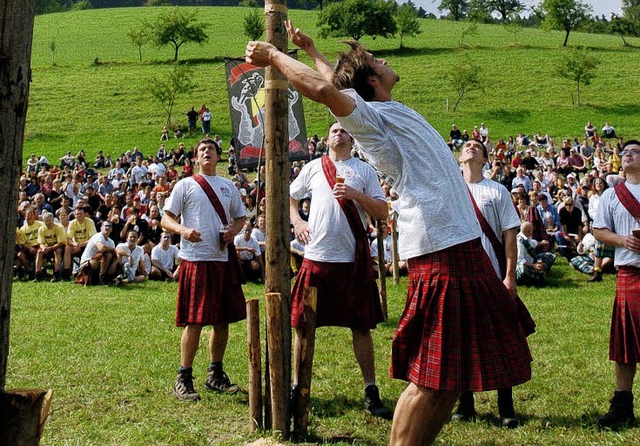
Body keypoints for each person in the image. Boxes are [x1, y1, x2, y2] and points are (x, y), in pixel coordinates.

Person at [245, 24, 532, 446]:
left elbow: (336, 84)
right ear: (375, 80)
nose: (385, 60)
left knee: (451, 379)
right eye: (378, 61)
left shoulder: (383, 109)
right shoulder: (372, 118)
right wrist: (273, 56)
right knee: (429, 379)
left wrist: (311, 48)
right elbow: (326, 93)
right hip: (441, 250)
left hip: (459, 245)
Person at [289, 121, 392, 419]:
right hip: (317, 257)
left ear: (352, 137)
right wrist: (297, 221)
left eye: (344, 130)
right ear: (327, 138)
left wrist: (355, 195)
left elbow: (382, 212)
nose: (339, 133)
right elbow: (292, 197)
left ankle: (371, 391)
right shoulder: (312, 167)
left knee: (361, 326)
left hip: (351, 260)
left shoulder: (364, 170)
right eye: (334, 130)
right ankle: (298, 386)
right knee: (303, 324)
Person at [454, 138, 531, 428]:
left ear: (486, 159)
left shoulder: (496, 190)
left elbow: (510, 235)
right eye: (466, 146)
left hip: (492, 274)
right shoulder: (450, 189)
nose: (471, 147)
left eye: (477, 146)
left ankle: (506, 406)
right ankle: (465, 403)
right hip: (459, 275)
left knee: (499, 339)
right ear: (460, 158)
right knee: (462, 339)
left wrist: (510, 275)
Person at [162, 137, 246, 402]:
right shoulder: (186, 185)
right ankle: (183, 377)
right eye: (202, 150)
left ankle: (215, 374)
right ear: (196, 158)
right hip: (196, 259)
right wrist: (183, 230)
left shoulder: (228, 186)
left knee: (222, 321)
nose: (207, 152)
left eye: (211, 149)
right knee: (195, 321)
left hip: (222, 258)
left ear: (219, 156)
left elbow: (241, 216)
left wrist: (234, 229)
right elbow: (166, 218)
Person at [593, 139, 640, 429]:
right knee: (625, 344)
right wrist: (622, 240)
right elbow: (598, 230)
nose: (628, 156)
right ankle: (622, 404)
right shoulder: (612, 194)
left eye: (634, 152)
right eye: (624, 153)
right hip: (629, 272)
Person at [79, 220, 119, 285]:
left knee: (114, 258)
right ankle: (101, 279)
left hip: (99, 263)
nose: (108, 227)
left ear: (111, 229)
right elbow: (102, 248)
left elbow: (114, 255)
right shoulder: (97, 236)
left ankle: (109, 278)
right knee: (107, 255)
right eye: (106, 226)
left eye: (110, 226)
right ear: (101, 228)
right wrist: (112, 249)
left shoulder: (111, 242)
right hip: (87, 263)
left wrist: (115, 262)